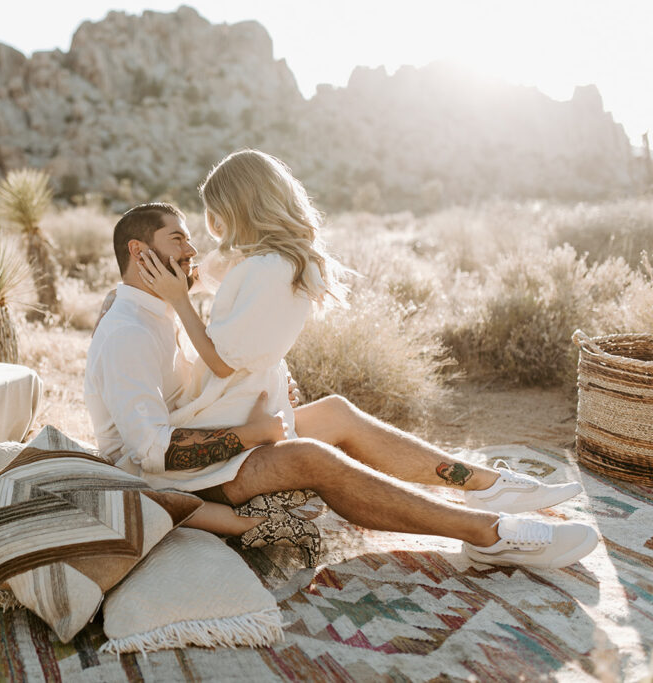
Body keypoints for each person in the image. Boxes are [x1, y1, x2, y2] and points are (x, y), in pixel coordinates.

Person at [85, 156, 598, 570]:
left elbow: (224, 307)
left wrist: (262, 378)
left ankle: (487, 485)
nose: (195, 247)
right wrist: (253, 434)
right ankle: (488, 537)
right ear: (139, 252)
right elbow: (152, 454)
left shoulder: (157, 306)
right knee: (312, 456)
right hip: (161, 475)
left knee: (335, 413)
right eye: (179, 239)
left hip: (199, 438)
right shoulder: (131, 330)